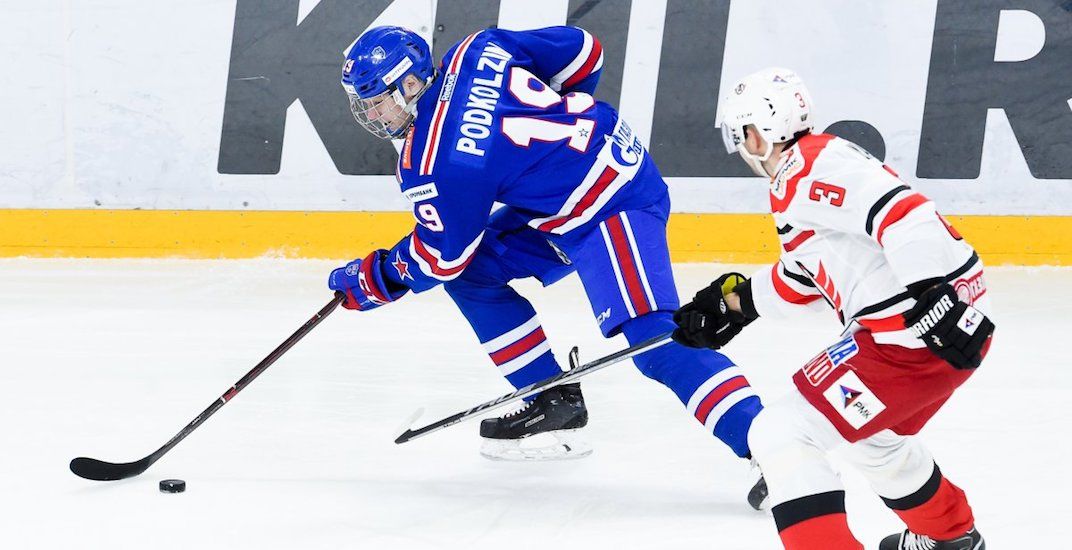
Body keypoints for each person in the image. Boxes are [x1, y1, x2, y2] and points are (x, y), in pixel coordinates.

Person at [328, 23, 766, 501]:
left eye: (378, 100)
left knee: (656, 342)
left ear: (412, 84)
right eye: (365, 103)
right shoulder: (476, 50)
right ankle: (550, 397)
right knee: (476, 277)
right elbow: (585, 52)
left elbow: (439, 258)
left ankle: (772, 446)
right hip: (575, 191)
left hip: (612, 204)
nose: (372, 113)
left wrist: (374, 278)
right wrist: (558, 139)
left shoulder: (434, 160)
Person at [672, 67, 995, 549]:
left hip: (912, 338)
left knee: (780, 433)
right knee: (874, 440)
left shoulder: (812, 166)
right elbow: (804, 278)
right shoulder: (804, 171)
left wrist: (935, 297)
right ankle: (950, 538)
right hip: (922, 333)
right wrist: (732, 305)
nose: (740, 147)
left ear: (758, 136)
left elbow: (905, 214)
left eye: (741, 135)